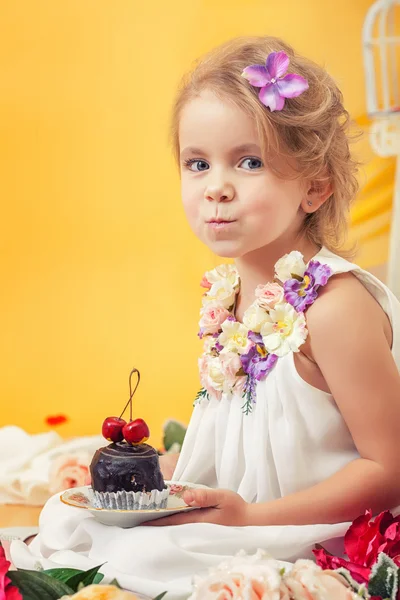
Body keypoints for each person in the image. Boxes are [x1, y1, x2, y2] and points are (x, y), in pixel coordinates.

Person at [10, 35, 400, 599]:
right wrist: (164, 479)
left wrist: (246, 519)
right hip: (240, 517)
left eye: (249, 161)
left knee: (142, 556)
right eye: (197, 163)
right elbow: (249, 438)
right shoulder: (231, 299)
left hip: (313, 531)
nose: (216, 187)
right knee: (71, 521)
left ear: (314, 187)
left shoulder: (335, 307)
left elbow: (388, 470)